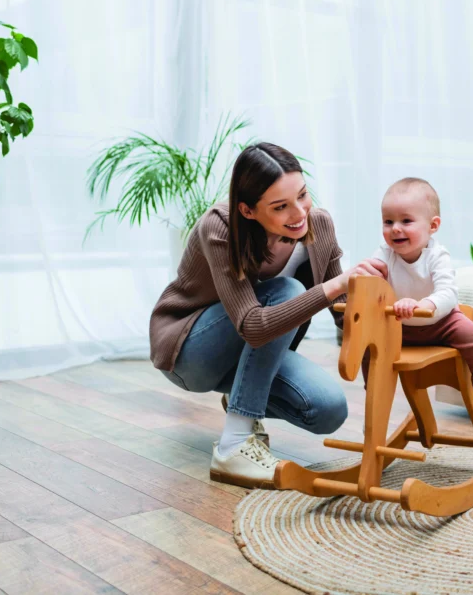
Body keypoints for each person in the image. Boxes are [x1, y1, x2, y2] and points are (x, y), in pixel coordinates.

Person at [148, 142, 385, 488]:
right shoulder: (220, 226)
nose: (299, 213)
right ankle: (233, 446)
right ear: (247, 210)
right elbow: (254, 327)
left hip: (246, 354)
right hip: (189, 352)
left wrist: (392, 335)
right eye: (280, 207)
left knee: (328, 408)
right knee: (287, 290)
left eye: (302, 195)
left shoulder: (317, 226)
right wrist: (333, 286)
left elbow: (342, 313)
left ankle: (241, 399)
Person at [365, 177, 473, 424]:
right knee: (368, 345)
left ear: (433, 225)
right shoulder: (383, 254)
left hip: (440, 323)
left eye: (406, 220)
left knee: (471, 334)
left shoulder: (437, 255)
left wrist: (422, 306)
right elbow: (372, 287)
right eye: (388, 221)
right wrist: (364, 277)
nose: (395, 228)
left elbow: (448, 293)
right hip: (399, 328)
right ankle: (372, 400)